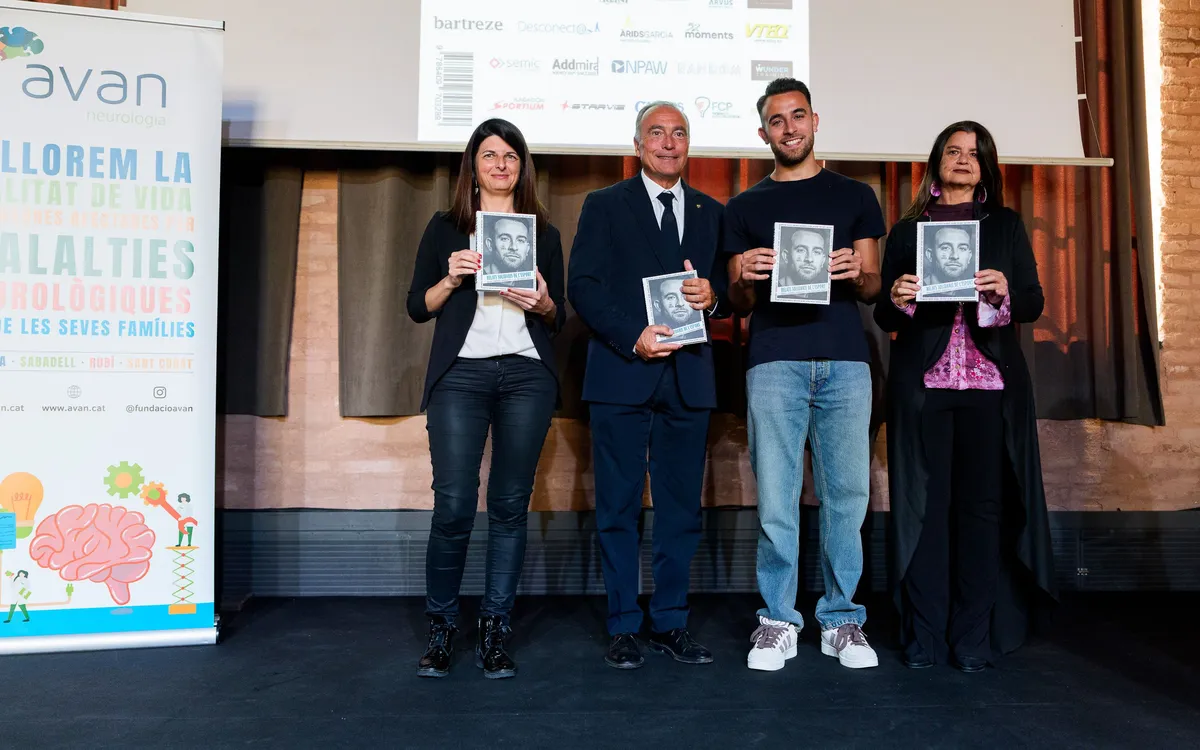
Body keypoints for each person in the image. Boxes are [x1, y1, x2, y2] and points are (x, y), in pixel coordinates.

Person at [875, 121, 1055, 672]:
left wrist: (1003, 292)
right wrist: (898, 297)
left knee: (981, 511)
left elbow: (1033, 302)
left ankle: (973, 636)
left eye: (973, 154)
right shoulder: (908, 230)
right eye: (952, 151)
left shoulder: (1005, 224)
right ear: (937, 161)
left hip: (990, 387)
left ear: (985, 167)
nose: (962, 159)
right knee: (925, 511)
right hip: (924, 387)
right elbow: (884, 314)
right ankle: (924, 637)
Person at [725, 78, 884, 671]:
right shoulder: (744, 207)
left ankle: (842, 620)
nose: (789, 128)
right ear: (762, 131)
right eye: (777, 120)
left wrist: (855, 271)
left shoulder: (856, 195)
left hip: (845, 361)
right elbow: (738, 302)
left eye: (798, 116)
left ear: (815, 121)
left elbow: (873, 287)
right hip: (774, 360)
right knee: (776, 498)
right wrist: (745, 275)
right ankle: (777, 620)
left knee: (848, 496)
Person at [568, 101, 728, 670]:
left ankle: (670, 622)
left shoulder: (712, 212)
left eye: (678, 133)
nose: (668, 142)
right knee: (618, 506)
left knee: (681, 509)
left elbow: (726, 292)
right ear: (637, 145)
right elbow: (583, 286)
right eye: (656, 133)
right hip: (622, 373)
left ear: (689, 145)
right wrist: (630, 336)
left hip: (689, 377)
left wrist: (714, 297)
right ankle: (622, 625)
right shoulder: (605, 204)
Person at [406, 118, 565, 679]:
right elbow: (417, 306)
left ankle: (495, 628)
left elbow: (559, 317)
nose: (501, 164)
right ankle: (442, 627)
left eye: (511, 156)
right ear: (472, 167)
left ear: (523, 167)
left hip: (527, 375)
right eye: (490, 155)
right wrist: (451, 279)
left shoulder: (543, 234)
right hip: (460, 377)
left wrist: (545, 304)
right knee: (453, 505)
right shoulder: (445, 227)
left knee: (509, 506)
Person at [921, 224, 977, 298]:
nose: (955, 256)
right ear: (930, 255)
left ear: (969, 257)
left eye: (962, 248)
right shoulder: (916, 291)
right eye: (945, 248)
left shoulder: (974, 292)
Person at [482, 215, 535, 288]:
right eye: (505, 239)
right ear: (490, 244)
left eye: (520, 240)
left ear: (527, 249)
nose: (513, 247)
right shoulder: (474, 279)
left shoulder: (531, 283)